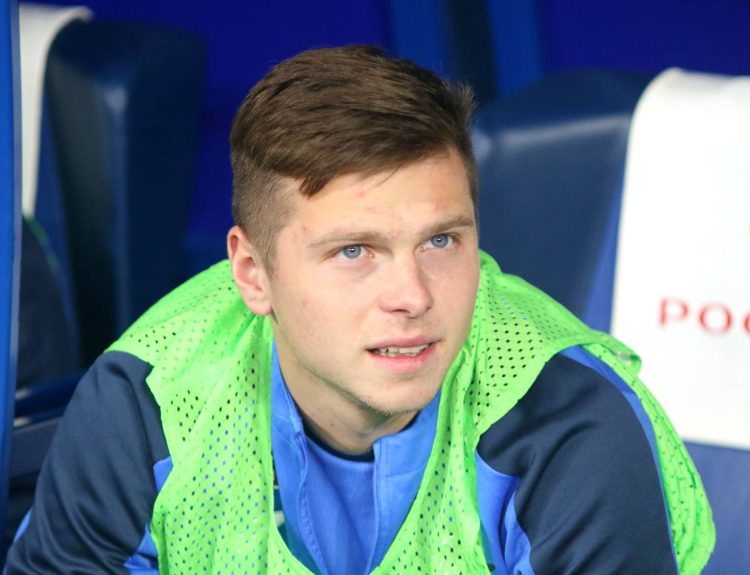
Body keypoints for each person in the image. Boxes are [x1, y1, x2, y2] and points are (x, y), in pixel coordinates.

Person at [6, 45, 714, 574]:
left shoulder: (569, 422)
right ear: (253, 274)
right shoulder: (147, 403)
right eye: (354, 251)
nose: (414, 295)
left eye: (441, 240)